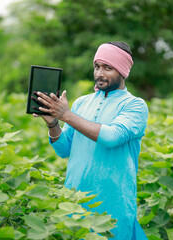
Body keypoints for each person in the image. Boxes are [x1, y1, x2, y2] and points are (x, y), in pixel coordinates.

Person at [32, 41, 148, 239]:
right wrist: (53, 123)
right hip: (75, 199)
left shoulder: (135, 106)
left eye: (108, 67)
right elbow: (64, 149)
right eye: (97, 66)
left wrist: (67, 116)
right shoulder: (81, 103)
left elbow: (112, 137)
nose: (99, 73)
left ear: (122, 71)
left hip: (113, 203)